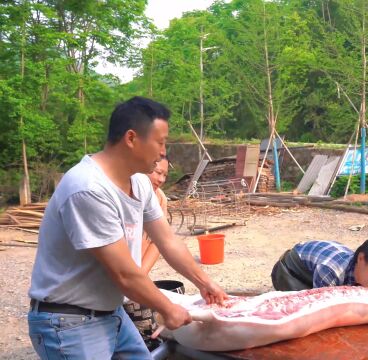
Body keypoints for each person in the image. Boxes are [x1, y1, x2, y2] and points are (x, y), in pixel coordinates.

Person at [27, 96, 228, 359]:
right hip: (69, 321)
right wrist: (168, 308)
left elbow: (166, 241)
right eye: (160, 142)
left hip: (111, 313)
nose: (162, 152)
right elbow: (124, 274)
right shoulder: (88, 189)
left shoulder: (140, 183)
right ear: (131, 138)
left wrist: (205, 283)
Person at [271, 237, 368, 292]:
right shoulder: (331, 269)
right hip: (289, 271)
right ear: (361, 258)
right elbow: (322, 308)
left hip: (318, 268)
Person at [141, 155, 169, 274]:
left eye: (165, 175)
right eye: (158, 172)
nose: (161, 179)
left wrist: (141, 274)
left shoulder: (160, 198)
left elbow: (159, 240)